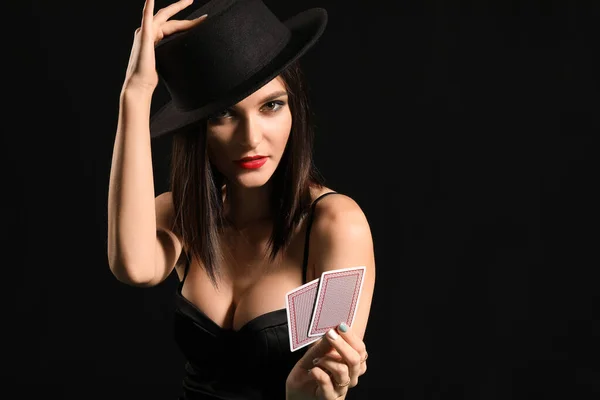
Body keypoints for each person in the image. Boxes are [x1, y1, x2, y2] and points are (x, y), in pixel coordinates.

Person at [107, 0, 376, 399]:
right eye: (224, 115)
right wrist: (135, 92)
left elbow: (327, 379)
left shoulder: (336, 225)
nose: (251, 139)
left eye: (271, 105)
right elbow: (133, 267)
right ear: (198, 128)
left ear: (294, 109)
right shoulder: (182, 214)